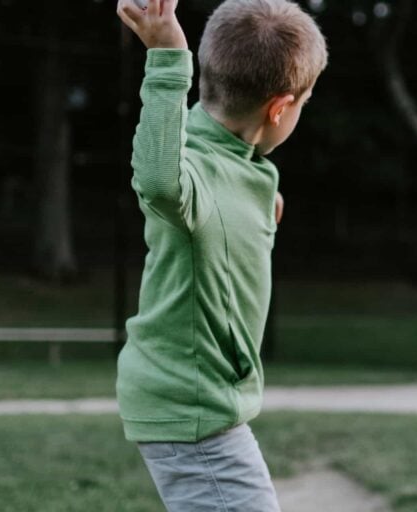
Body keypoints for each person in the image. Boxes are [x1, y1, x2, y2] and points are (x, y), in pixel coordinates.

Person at [115, 1, 327, 510]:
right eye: (305, 102)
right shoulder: (193, 168)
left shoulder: (244, 164)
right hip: (193, 410)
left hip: (208, 406)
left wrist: (260, 200)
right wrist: (168, 59)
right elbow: (161, 181)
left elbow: (228, 166)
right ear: (279, 107)